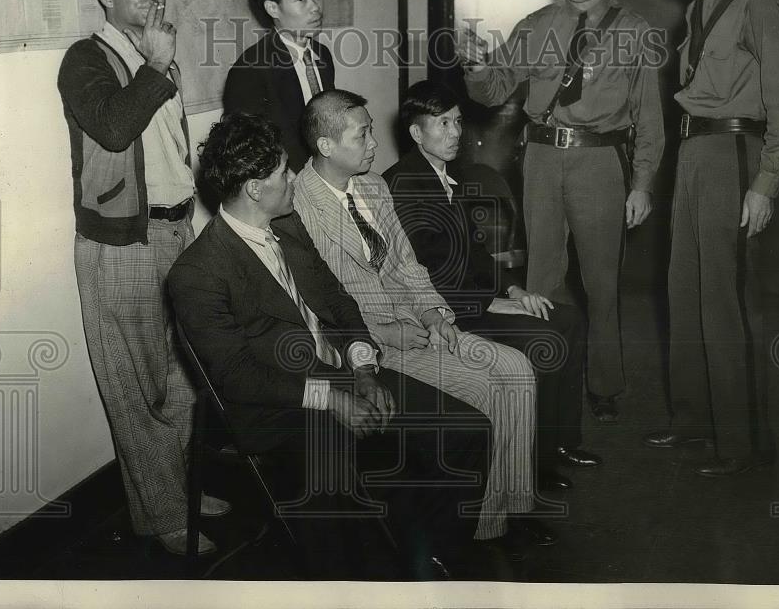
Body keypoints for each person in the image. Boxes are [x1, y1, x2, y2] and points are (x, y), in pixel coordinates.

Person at [167, 114, 491, 579]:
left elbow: (339, 301)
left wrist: (362, 367)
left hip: (338, 377)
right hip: (276, 407)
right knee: (335, 488)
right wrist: (333, 399)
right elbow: (238, 377)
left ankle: (434, 561)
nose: (295, 177)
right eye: (284, 172)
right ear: (255, 188)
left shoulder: (289, 225)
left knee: (466, 430)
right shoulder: (198, 272)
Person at [293, 89, 554, 556]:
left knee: (517, 370)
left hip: (416, 323)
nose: (374, 143)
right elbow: (319, 307)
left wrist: (437, 315)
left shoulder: (373, 187)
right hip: (370, 345)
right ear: (326, 146)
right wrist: (387, 333)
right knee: (486, 390)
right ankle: (482, 531)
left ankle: (507, 513)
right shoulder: (300, 204)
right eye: (363, 134)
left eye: (372, 130)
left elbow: (408, 267)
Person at [459, 0, 665, 423]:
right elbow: (493, 92)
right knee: (542, 278)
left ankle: (604, 385)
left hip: (600, 164)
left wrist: (641, 183)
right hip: (543, 162)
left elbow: (650, 119)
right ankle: (542, 379)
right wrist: (478, 66)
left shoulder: (635, 33)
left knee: (602, 283)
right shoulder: (537, 25)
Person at [57, 0, 228, 556]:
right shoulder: (86, 58)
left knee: (182, 378)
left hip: (174, 232)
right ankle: (161, 519)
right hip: (122, 242)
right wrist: (157, 66)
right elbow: (111, 127)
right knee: (136, 390)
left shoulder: (158, 56)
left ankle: (178, 491)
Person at [643, 0, 779, 476]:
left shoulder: (757, 3)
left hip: (733, 155)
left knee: (727, 300)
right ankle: (693, 422)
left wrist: (765, 184)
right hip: (694, 156)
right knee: (684, 293)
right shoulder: (698, 4)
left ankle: (743, 445)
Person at [383, 80, 602, 491]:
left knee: (569, 318)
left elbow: (475, 253)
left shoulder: (447, 175)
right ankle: (533, 465)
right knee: (545, 335)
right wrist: (491, 304)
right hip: (446, 312)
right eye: (442, 123)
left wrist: (514, 291)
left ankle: (559, 443)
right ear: (416, 132)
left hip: (475, 299)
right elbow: (425, 273)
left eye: (457, 122)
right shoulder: (403, 185)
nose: (454, 132)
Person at [223, 0, 334, 170]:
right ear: (273, 8)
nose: (316, 7)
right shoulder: (250, 68)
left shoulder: (323, 55)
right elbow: (248, 150)